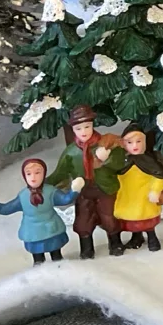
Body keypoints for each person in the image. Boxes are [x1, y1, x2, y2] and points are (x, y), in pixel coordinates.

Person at [46, 105, 125, 258]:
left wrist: (106, 159)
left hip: (105, 188)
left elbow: (120, 164)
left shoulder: (106, 144)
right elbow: (61, 173)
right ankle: (86, 248)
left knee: (109, 217)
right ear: (73, 130)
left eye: (87, 126)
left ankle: (115, 243)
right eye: (78, 128)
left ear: (92, 125)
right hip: (83, 191)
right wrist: (44, 184)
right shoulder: (71, 152)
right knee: (83, 220)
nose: (83, 131)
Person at [0, 159, 84, 265]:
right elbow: (6, 209)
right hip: (33, 232)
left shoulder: (50, 191)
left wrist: (74, 190)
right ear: (24, 176)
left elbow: (65, 200)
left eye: (37, 173)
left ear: (44, 174)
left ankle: (59, 266)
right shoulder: (23, 196)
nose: (33, 177)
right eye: (29, 174)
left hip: (51, 229)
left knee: (56, 255)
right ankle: (38, 269)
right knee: (38, 259)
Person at [103, 123, 163, 253]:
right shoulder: (120, 161)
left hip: (144, 198)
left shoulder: (149, 162)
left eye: (138, 141)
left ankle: (152, 239)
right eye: (130, 142)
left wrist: (155, 190)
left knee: (147, 222)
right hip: (126, 197)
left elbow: (160, 176)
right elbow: (111, 174)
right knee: (127, 219)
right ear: (124, 144)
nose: (135, 146)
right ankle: (136, 238)